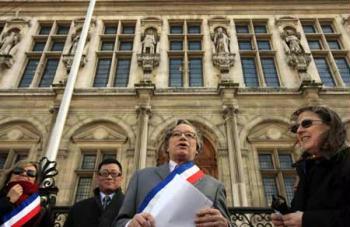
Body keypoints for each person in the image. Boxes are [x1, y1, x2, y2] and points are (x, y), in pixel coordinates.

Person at [114, 119, 231, 227]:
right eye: (176, 134)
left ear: (197, 149)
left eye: (190, 135)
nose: (183, 138)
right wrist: (130, 224)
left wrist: (225, 224)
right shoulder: (141, 177)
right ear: (167, 147)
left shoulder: (215, 187)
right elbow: (119, 222)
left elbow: (226, 223)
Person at [271, 106, 350, 227]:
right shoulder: (306, 170)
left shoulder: (346, 160)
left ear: (330, 125)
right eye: (296, 128)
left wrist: (307, 219)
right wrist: (287, 218)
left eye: (306, 124)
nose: (299, 131)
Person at [64, 158, 124, 227]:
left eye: (114, 173)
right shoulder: (78, 208)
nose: (109, 177)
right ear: (98, 177)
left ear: (121, 178)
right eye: (105, 173)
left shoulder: (131, 207)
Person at [0, 160, 50, 226]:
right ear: (10, 176)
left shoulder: (40, 207)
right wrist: (8, 200)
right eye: (18, 170)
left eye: (31, 173)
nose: (24, 174)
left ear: (35, 180)